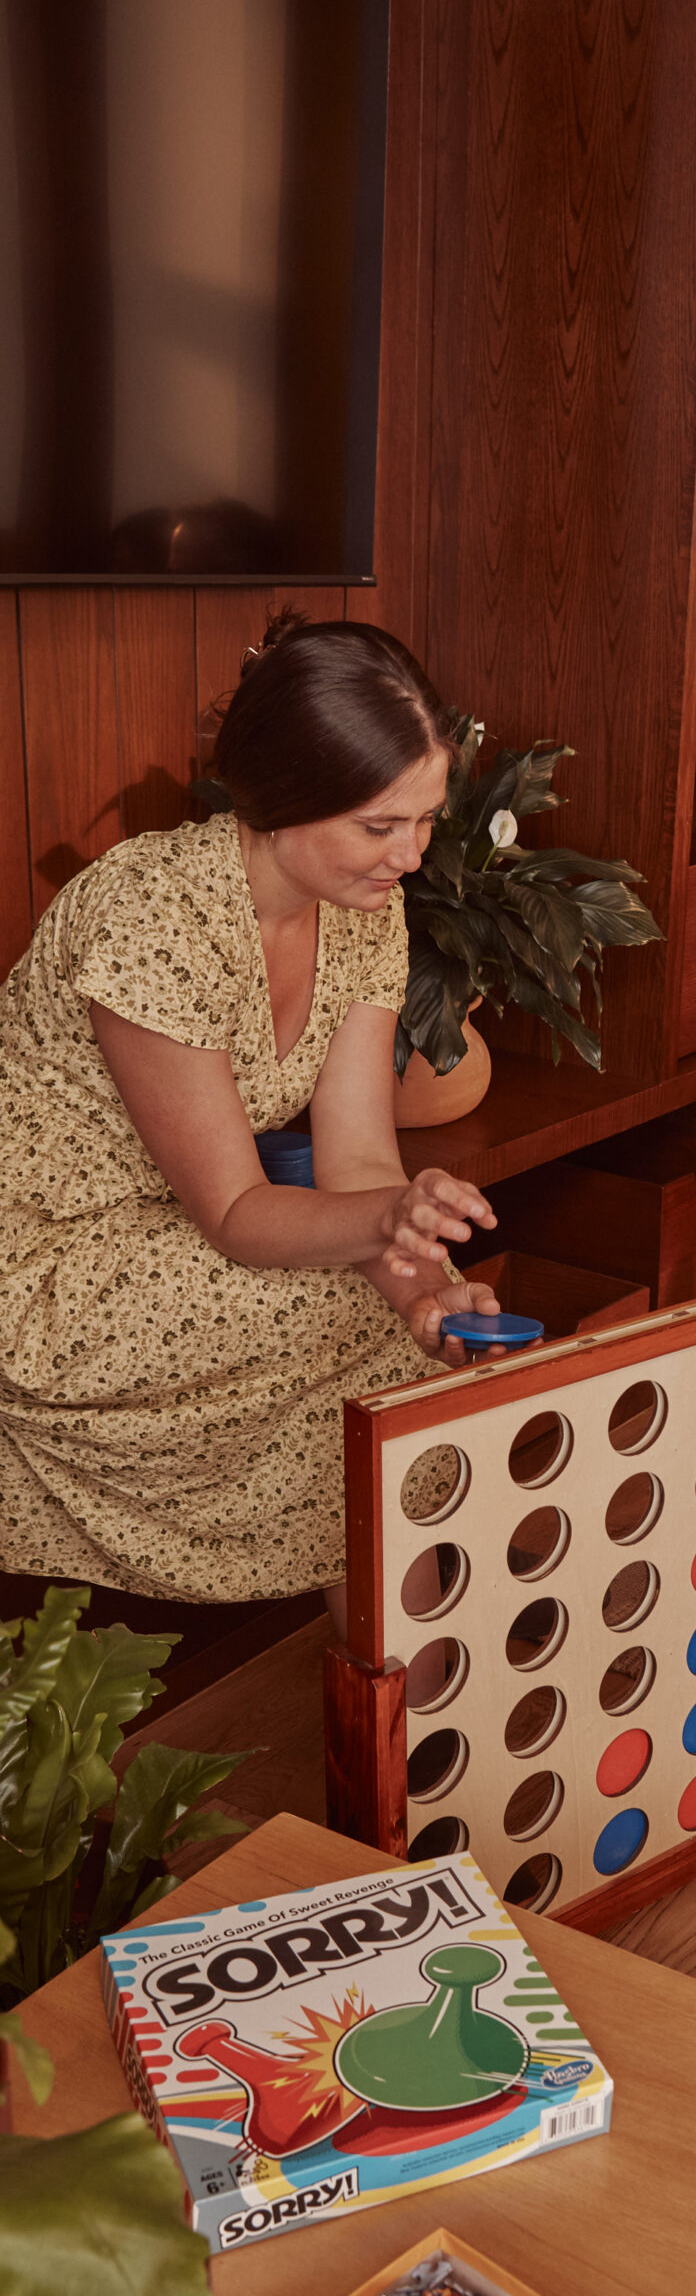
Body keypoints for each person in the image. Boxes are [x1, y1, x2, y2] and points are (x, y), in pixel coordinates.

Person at [0, 613, 503, 1608]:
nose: (408, 855)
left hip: (175, 1227)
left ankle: (408, 1682)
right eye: (378, 825)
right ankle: (406, 1675)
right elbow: (234, 1211)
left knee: (415, 1309)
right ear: (281, 802)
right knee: (353, 1309)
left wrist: (421, 1294)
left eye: (424, 822)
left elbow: (358, 1165)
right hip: (45, 1260)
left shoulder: (364, 909)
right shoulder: (151, 914)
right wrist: (393, 1245)